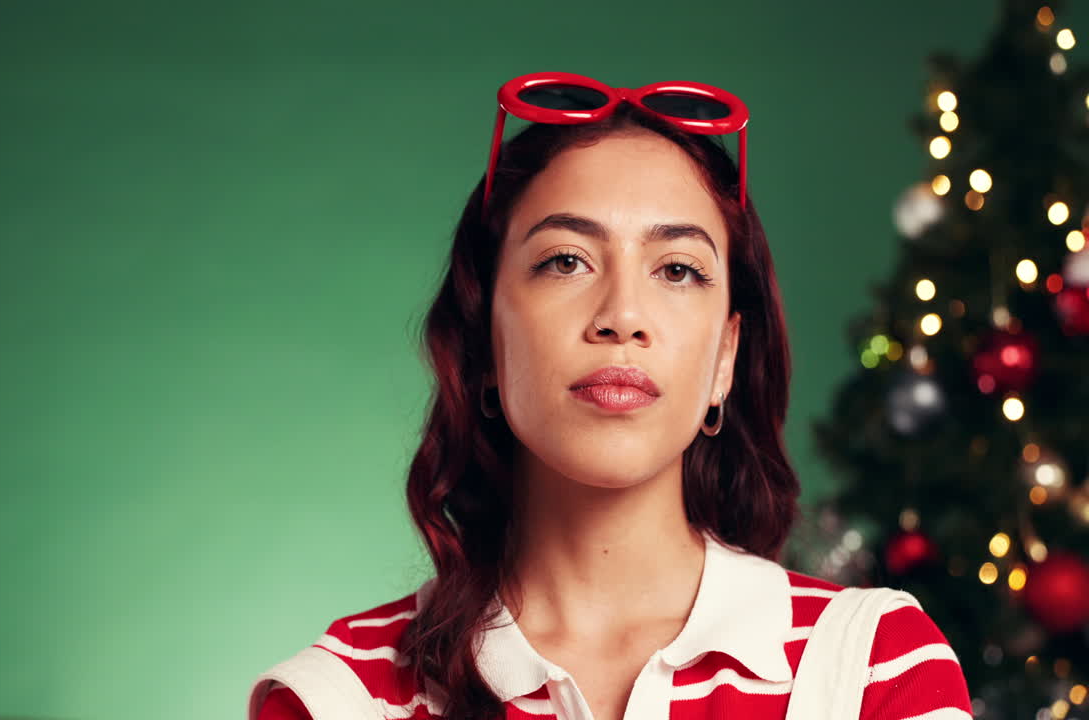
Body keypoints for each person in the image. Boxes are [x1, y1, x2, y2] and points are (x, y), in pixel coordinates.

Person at [248, 72, 972, 720]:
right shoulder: (339, 694)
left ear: (725, 357)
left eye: (679, 269)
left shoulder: (876, 667)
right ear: (484, 346)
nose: (622, 315)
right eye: (566, 260)